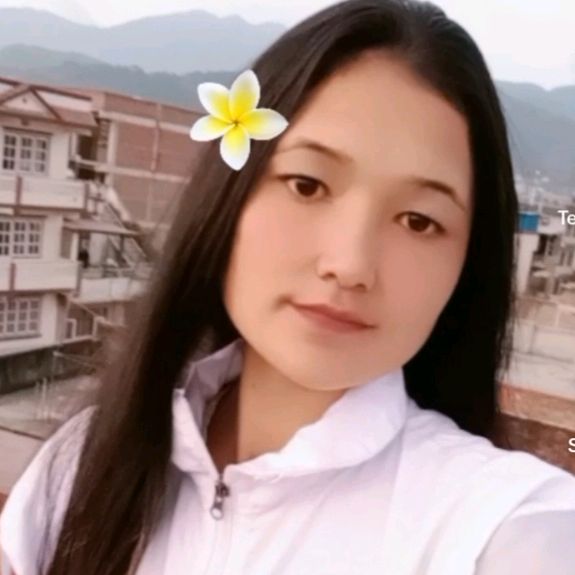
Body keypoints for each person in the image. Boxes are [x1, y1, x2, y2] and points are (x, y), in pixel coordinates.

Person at [2, 1, 575, 574]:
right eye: (306, 184)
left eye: (419, 221)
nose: (350, 265)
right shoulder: (81, 466)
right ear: (231, 197)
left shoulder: (494, 525)